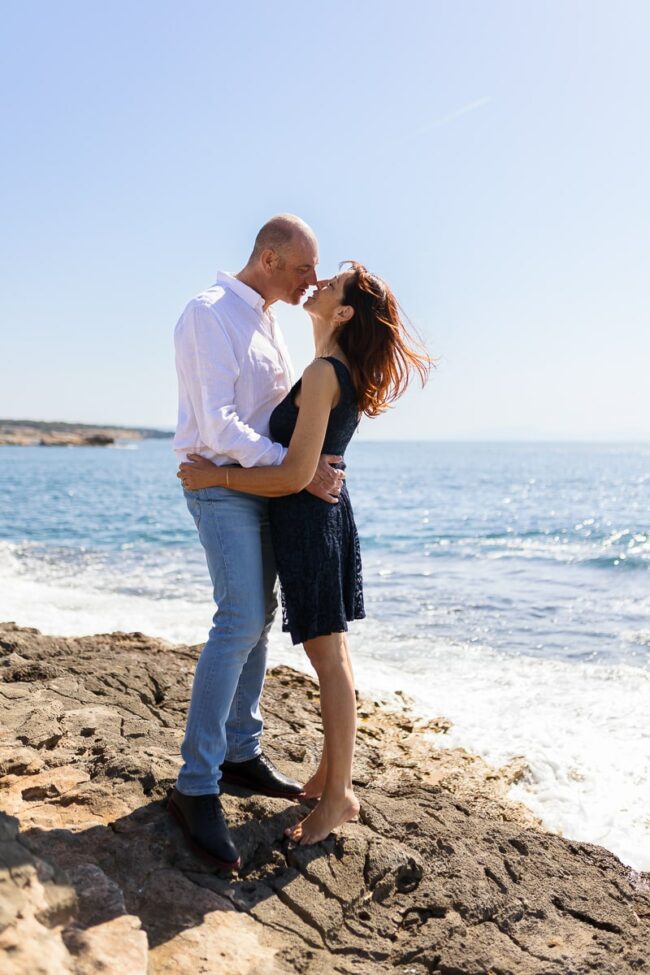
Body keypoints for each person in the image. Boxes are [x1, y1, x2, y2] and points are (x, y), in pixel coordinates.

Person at [179, 262, 431, 847]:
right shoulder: (327, 367)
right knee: (333, 656)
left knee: (329, 660)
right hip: (321, 520)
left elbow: (294, 474)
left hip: (311, 526)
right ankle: (328, 777)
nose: (317, 283)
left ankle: (338, 794)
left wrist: (217, 477)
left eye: (332, 284)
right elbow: (304, 464)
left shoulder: (322, 372)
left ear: (343, 313)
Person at [168, 215, 346, 873]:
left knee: (260, 616)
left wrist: (296, 469)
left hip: (264, 486)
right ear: (268, 259)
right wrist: (298, 467)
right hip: (220, 485)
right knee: (239, 617)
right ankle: (195, 784)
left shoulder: (270, 321)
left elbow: (279, 414)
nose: (312, 280)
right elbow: (219, 426)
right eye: (303, 268)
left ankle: (240, 751)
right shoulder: (208, 313)